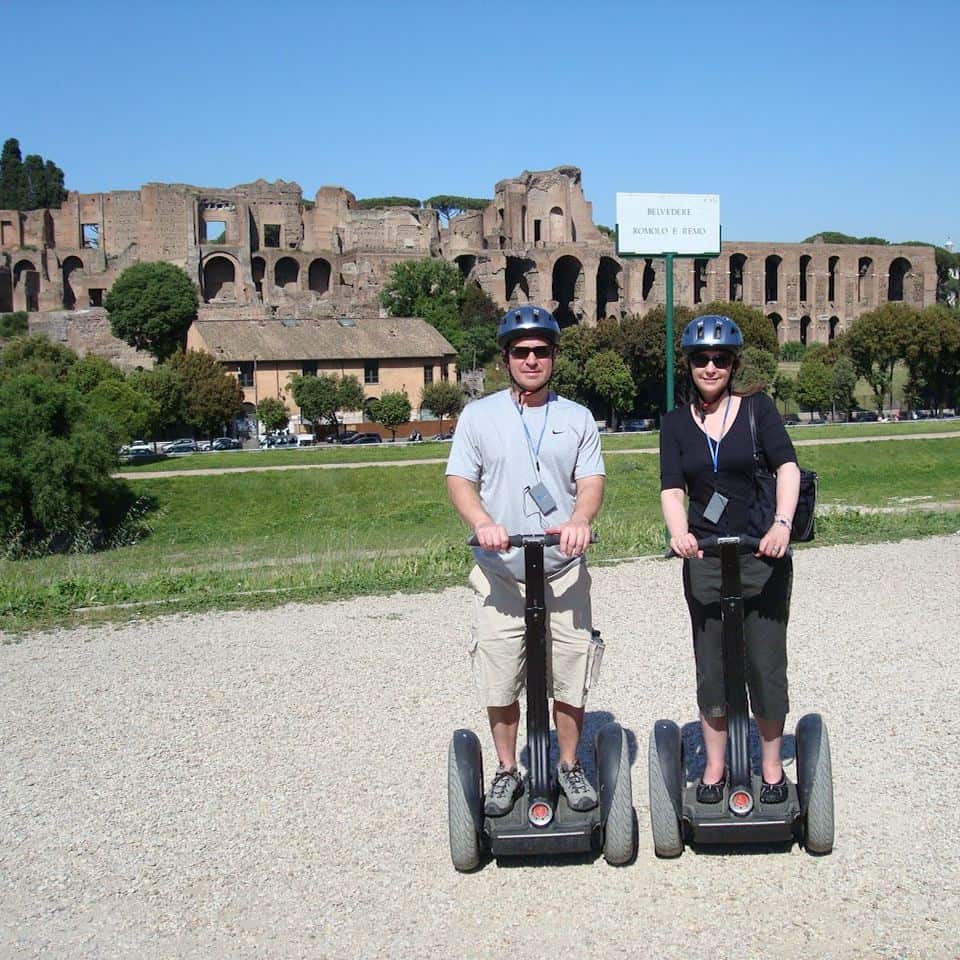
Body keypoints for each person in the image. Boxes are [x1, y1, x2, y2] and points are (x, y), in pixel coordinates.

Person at [446, 305, 605, 816]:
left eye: (540, 351)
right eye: (521, 352)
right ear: (507, 358)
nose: (531, 360)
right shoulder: (478, 415)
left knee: (571, 671)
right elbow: (460, 480)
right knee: (499, 674)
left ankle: (567, 764)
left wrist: (580, 518)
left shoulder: (576, 417)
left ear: (553, 356)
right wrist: (481, 523)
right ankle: (507, 769)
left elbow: (591, 482)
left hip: (561, 568)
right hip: (502, 571)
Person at [659, 315, 801, 805]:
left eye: (720, 359)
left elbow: (787, 467)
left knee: (764, 662)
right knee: (712, 665)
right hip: (706, 556)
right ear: (690, 365)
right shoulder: (675, 424)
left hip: (761, 552)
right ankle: (715, 767)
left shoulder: (759, 410)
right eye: (702, 359)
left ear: (734, 363)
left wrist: (781, 524)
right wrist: (679, 534)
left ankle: (770, 766)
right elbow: (673, 488)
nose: (711, 367)